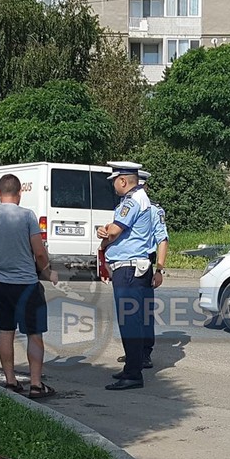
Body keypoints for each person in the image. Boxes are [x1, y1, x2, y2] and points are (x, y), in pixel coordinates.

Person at [0, 173, 58, 399]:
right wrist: (47, 271)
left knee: (5, 331)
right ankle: (35, 384)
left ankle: (11, 380)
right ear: (19, 194)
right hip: (26, 283)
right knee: (34, 333)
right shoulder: (27, 216)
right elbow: (39, 252)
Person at [97, 161, 154, 391]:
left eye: (114, 182)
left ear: (123, 180)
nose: (114, 186)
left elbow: (114, 230)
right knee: (135, 319)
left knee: (129, 320)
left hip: (128, 269)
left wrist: (104, 231)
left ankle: (133, 374)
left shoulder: (132, 201)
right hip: (135, 267)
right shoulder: (141, 199)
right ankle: (133, 365)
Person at [117, 170, 167, 371]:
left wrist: (159, 269)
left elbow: (162, 239)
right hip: (131, 263)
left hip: (143, 264)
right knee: (133, 313)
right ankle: (134, 355)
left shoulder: (154, 210)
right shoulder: (128, 205)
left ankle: (144, 353)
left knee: (143, 312)